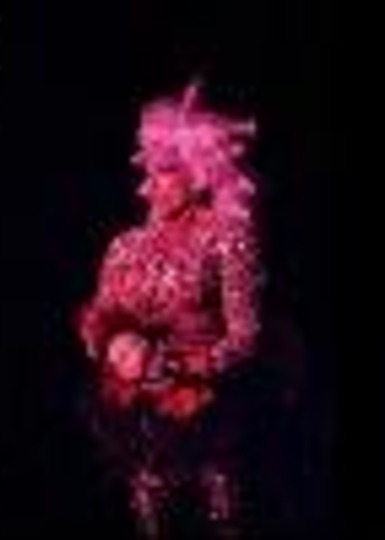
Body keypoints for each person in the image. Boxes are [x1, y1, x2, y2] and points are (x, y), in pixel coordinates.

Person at [76, 81, 265, 538]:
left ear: (198, 175)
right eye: (150, 171)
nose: (150, 186)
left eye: (167, 173)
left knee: (220, 508)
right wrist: (116, 351)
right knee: (149, 504)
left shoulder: (228, 238)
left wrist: (190, 366)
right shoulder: (125, 245)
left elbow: (246, 334)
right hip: (137, 410)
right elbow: (98, 319)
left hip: (207, 405)